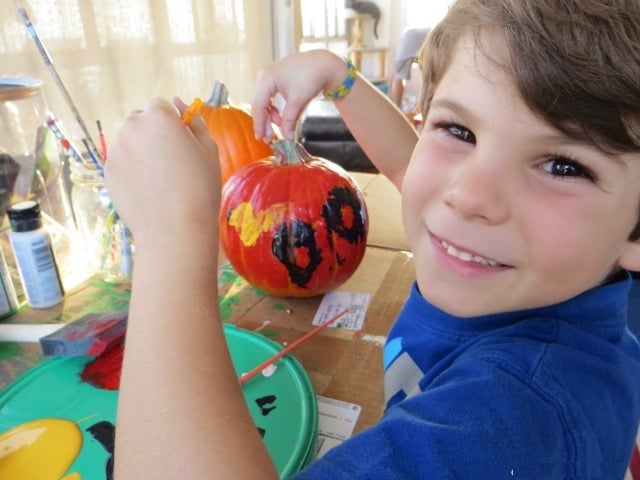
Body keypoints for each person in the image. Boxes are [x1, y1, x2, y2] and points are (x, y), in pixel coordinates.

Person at [106, 0, 640, 478]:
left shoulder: (516, 422)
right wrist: (338, 78)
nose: (468, 196)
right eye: (458, 130)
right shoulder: (537, 266)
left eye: (563, 166)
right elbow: (417, 171)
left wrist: (169, 240)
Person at [389, 26, 430, 109]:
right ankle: (425, 106)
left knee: (398, 75)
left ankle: (398, 108)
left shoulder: (408, 36)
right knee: (427, 77)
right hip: (426, 38)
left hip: (417, 38)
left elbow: (396, 77)